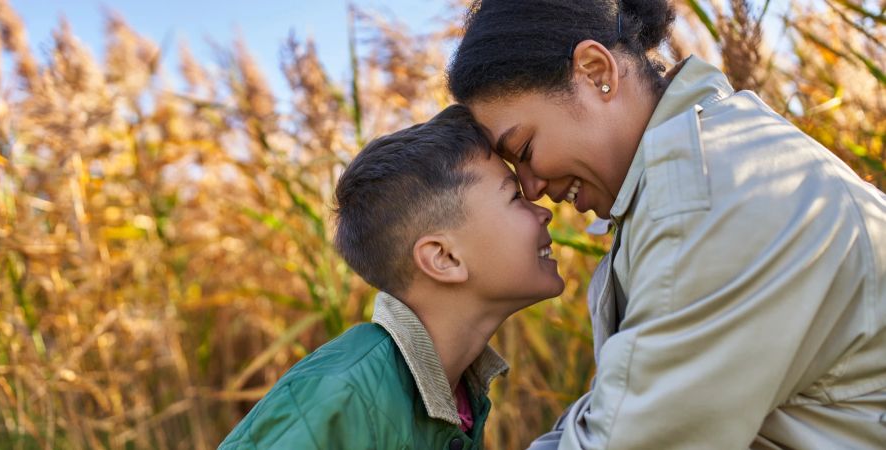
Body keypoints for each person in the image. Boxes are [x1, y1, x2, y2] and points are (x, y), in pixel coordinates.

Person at [447, 0, 886, 448]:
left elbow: (631, 439)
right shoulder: (709, 157)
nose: (532, 187)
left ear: (597, 71)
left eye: (524, 150)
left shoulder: (704, 199)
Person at [217, 105, 565, 449]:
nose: (544, 212)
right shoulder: (340, 396)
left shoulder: (459, 393)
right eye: (515, 196)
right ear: (444, 258)